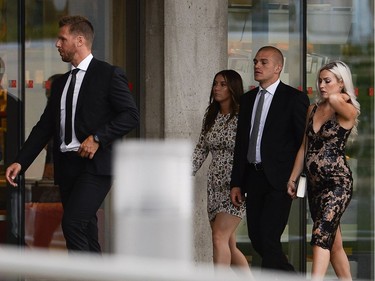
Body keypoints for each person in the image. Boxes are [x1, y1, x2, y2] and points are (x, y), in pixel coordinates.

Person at [5, 15, 139, 252]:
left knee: (73, 223)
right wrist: (20, 161)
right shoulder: (60, 83)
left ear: (79, 40)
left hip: (96, 166)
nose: (57, 44)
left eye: (61, 39)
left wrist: (98, 138)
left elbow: (130, 115)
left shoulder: (108, 74)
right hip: (67, 167)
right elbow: (44, 127)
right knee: (85, 229)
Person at [230, 46, 309, 272]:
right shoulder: (247, 99)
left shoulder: (294, 99)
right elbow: (241, 145)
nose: (257, 65)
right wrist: (237, 182)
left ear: (278, 67)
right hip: (253, 179)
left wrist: (297, 179)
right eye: (255, 61)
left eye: (263, 62)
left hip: (280, 181)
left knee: (268, 238)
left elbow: (303, 144)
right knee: (256, 238)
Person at [287, 61, 360, 281]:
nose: (321, 85)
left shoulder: (347, 109)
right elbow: (304, 146)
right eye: (319, 80)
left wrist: (341, 95)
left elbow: (340, 101)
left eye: (327, 81)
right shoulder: (313, 109)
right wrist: (292, 178)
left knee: (320, 235)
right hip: (314, 185)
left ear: (341, 83)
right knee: (334, 243)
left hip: (337, 183)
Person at [192, 70, 250, 273]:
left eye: (223, 84)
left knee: (218, 237)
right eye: (215, 83)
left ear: (233, 88)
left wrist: (244, 182)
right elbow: (201, 149)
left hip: (235, 184)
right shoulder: (211, 114)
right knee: (228, 244)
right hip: (214, 185)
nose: (217, 88)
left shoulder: (243, 115)